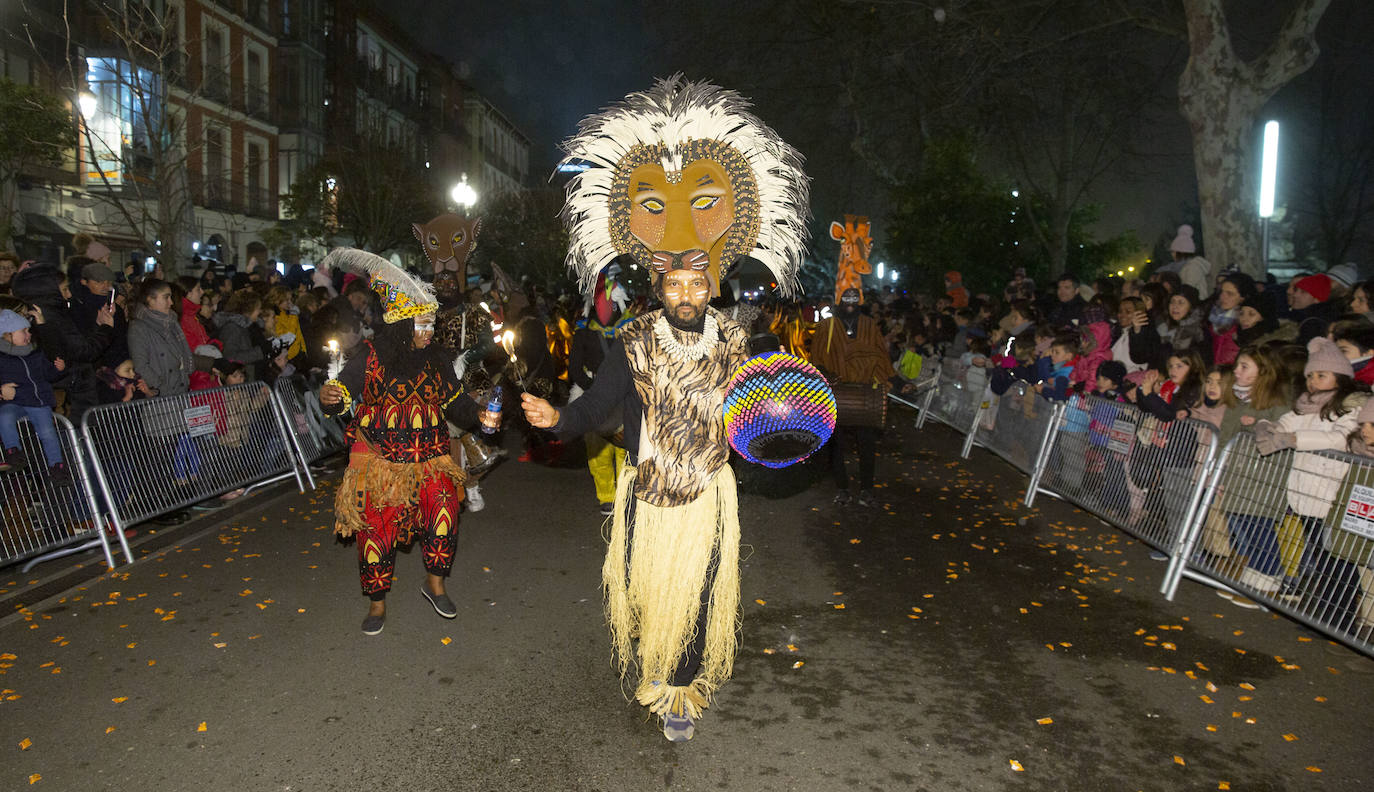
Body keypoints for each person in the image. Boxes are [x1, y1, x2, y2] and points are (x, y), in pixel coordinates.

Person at [523, 77, 809, 742]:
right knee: (653, 596)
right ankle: (659, 660)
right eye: (674, 284)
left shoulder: (741, 342)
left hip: (709, 495)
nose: (685, 292)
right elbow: (597, 408)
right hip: (649, 498)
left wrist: (793, 423)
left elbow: (767, 413)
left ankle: (678, 692)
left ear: (711, 286)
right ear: (660, 287)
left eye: (696, 283)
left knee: (702, 593)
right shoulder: (633, 341)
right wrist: (555, 421)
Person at [318, 248, 500, 637]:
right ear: (401, 327)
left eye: (431, 324)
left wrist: (481, 417)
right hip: (380, 462)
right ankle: (377, 603)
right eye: (421, 325)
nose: (428, 332)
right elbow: (341, 393)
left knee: (445, 512)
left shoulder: (436, 359)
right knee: (376, 534)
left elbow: (456, 402)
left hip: (430, 460)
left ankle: (435, 584)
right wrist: (329, 398)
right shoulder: (369, 358)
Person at [1244, 338, 1370, 598]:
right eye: (1310, 376)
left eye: (1321, 375)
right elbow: (1286, 422)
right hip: (1304, 490)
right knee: (1319, 551)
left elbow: (1340, 439)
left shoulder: (1350, 406)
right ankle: (1327, 605)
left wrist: (1293, 440)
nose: (1313, 381)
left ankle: (1339, 607)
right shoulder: (1306, 404)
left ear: (1340, 376)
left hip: (1330, 491)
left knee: (1335, 555)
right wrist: (1268, 428)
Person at [811, 287, 893, 507]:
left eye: (854, 299)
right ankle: (842, 489)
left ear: (860, 302)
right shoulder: (826, 327)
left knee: (867, 444)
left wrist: (893, 382)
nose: (849, 303)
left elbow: (880, 356)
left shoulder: (869, 325)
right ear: (839, 301)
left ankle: (866, 490)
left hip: (864, 393)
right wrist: (827, 374)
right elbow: (817, 358)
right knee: (836, 446)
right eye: (846, 299)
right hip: (836, 394)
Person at [0, 309, 68, 477]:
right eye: (23, 331)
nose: (28, 334)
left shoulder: (34, 354)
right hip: (14, 401)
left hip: (37, 400)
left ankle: (56, 465)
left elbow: (48, 373)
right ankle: (13, 452)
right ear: (7, 335)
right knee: (5, 416)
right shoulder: (1, 358)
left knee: (47, 431)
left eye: (28, 330)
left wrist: (57, 370)